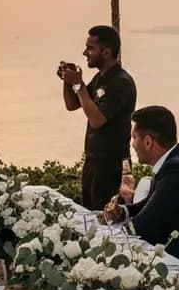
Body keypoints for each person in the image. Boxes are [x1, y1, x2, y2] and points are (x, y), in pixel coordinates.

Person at [102, 106, 179, 274]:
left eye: (134, 137)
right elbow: (148, 205)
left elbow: (144, 227)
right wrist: (122, 212)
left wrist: (104, 238)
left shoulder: (177, 170)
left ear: (148, 142)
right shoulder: (177, 158)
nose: (132, 144)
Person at [59, 25, 137, 211]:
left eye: (90, 48)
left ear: (106, 52)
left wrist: (78, 84)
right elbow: (73, 104)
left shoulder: (120, 82)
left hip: (111, 164)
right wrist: (68, 81)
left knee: (106, 216)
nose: (85, 53)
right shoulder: (100, 79)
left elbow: (97, 120)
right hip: (93, 161)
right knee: (90, 212)